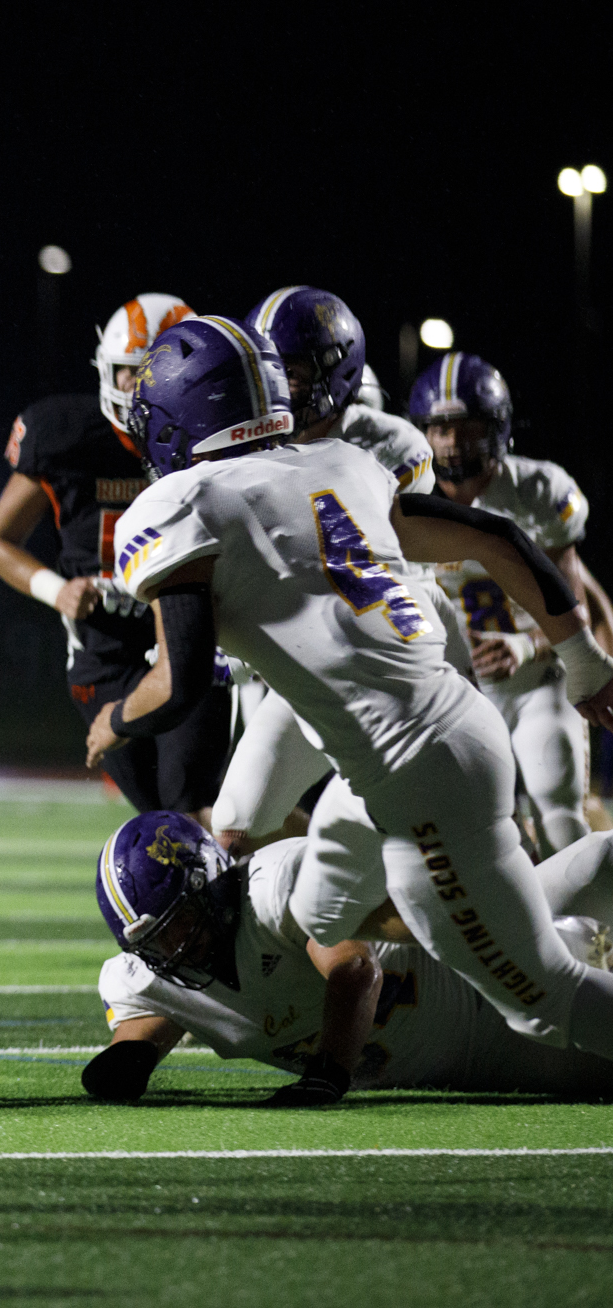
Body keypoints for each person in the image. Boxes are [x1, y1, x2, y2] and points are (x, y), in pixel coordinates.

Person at [90, 313, 613, 1067]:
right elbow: (501, 541)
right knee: (314, 906)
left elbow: (176, 685)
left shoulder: (179, 507)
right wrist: (583, 658)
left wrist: (113, 716)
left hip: (414, 770)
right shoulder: (343, 461)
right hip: (441, 728)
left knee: (540, 999)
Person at [85, 812, 613, 1103]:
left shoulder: (271, 888)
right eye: (154, 943)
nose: (175, 949)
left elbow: (355, 969)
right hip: (489, 1048)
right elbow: (147, 1023)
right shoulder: (147, 972)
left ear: (211, 883)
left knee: (598, 858)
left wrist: (328, 1074)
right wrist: (124, 1065)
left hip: (473, 961)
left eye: (181, 925)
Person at [209, 287, 458, 857]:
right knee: (239, 827)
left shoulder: (389, 444)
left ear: (335, 371)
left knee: (423, 831)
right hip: (304, 659)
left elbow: (352, 565)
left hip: (387, 655)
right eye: (266, 371)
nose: (274, 389)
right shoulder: (252, 439)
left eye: (288, 372)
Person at [0, 294, 231, 814]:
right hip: (105, 652)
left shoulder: (217, 437)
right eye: (125, 373)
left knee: (194, 807)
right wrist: (57, 590)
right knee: (161, 818)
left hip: (187, 639)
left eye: (149, 373)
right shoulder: (65, 434)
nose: (133, 389)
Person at [414, 352, 613, 855]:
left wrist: (523, 646)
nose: (452, 441)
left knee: (558, 813)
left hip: (537, 683)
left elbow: (578, 609)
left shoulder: (535, 492)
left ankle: (585, 933)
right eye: (439, 427)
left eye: (467, 426)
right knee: (460, 835)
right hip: (454, 694)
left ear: (497, 427)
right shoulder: (408, 498)